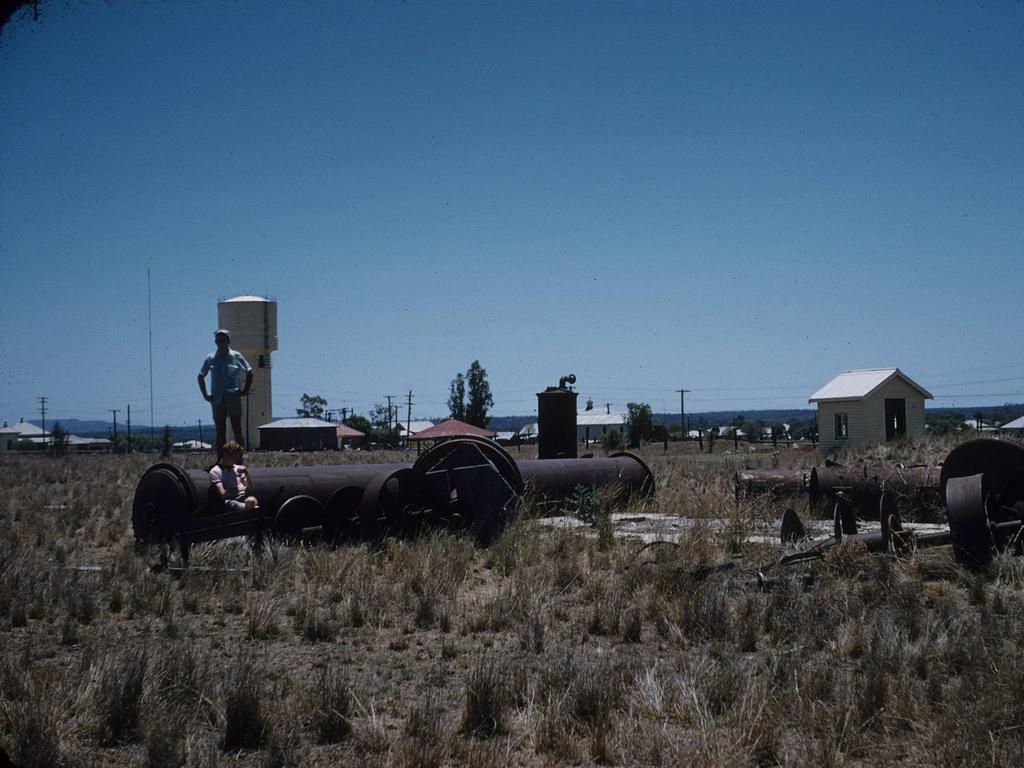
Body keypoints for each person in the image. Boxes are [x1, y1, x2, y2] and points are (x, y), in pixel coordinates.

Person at [198, 329, 253, 455]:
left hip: (233, 396)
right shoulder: (211, 358)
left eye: (223, 340)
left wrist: (245, 390)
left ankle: (239, 458)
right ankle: (221, 460)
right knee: (220, 430)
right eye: (218, 340)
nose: (220, 343)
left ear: (228, 341)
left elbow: (249, 372)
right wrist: (206, 395)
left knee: (237, 428)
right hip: (217, 398)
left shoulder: (236, 356)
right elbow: (201, 376)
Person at [209, 441, 259, 511]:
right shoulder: (215, 471)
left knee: (251, 500)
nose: (236, 459)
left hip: (244, 496)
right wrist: (241, 489)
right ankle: (247, 508)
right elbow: (223, 494)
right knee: (232, 504)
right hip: (231, 500)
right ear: (225, 455)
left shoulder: (238, 468)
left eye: (238, 457)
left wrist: (246, 473)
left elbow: (249, 488)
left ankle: (249, 507)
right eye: (234, 457)